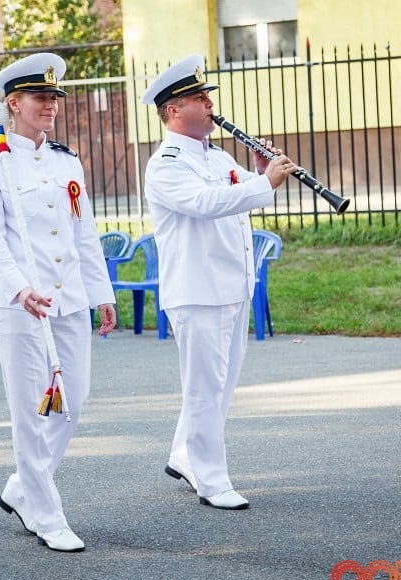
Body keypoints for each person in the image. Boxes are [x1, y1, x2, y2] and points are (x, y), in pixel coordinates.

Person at [0, 52, 116, 552]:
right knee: (32, 413)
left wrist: (101, 293)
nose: (51, 105)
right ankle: (47, 514)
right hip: (20, 305)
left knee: (71, 403)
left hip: (70, 298)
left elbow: (83, 232)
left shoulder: (65, 160)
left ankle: (21, 488)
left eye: (55, 97)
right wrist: (18, 287)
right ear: (13, 103)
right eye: (40, 97)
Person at [141, 53, 296, 510]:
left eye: (208, 96)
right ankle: (211, 480)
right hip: (197, 290)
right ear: (174, 109)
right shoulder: (166, 163)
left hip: (232, 285)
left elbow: (244, 197)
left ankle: (184, 455)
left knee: (219, 384)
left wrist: (257, 168)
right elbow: (209, 203)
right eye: (199, 96)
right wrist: (263, 181)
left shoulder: (217, 154)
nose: (210, 103)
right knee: (206, 387)